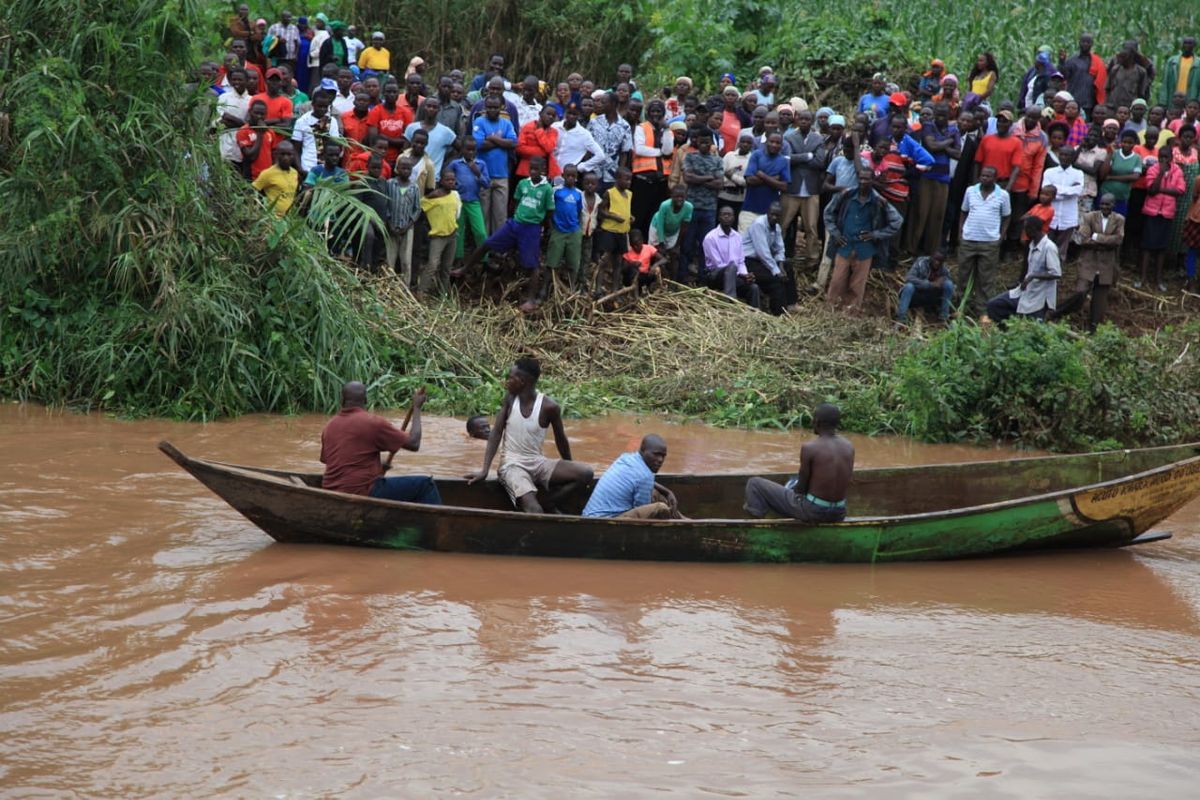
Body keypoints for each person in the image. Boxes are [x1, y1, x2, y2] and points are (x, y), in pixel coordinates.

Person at [466, 357, 593, 514]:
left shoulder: (549, 407)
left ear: (522, 381)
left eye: (510, 378)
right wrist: (485, 470)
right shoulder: (510, 400)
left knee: (586, 473)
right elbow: (497, 433)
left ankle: (550, 501)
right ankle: (542, 509)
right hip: (511, 466)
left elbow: (561, 440)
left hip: (538, 463)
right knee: (534, 510)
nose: (507, 382)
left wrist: (569, 466)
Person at [455, 156, 555, 312]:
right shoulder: (523, 184)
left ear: (543, 170)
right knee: (487, 243)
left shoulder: (547, 189)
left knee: (532, 265)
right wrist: (514, 218)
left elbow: (549, 211)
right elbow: (515, 202)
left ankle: (531, 300)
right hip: (514, 223)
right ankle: (465, 269)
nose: (533, 172)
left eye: (536, 169)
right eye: (531, 169)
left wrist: (541, 228)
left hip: (531, 229)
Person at [320, 383, 440, 504]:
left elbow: (331, 460)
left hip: (330, 490)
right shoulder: (373, 423)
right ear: (366, 400)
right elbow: (414, 443)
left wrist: (378, 467)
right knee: (425, 484)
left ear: (342, 400)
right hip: (361, 492)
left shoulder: (329, 426)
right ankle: (439, 522)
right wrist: (417, 408)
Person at [744, 403, 853, 523]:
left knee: (754, 483)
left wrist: (790, 488)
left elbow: (800, 489)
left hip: (813, 512)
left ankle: (755, 526)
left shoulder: (810, 448)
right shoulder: (849, 447)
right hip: (839, 513)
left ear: (816, 422)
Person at [824, 165, 903, 314]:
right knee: (836, 282)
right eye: (860, 178)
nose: (862, 182)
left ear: (872, 181)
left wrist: (876, 234)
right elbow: (828, 213)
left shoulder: (879, 201)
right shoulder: (846, 195)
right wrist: (835, 233)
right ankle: (830, 314)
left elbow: (897, 221)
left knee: (857, 286)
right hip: (844, 245)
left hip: (864, 250)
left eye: (866, 179)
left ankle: (851, 315)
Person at [1054, 193, 1124, 331]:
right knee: (1080, 292)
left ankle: (1093, 329)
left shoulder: (1120, 219)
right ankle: (1058, 313)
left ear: (1113, 205)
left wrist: (1096, 237)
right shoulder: (1089, 217)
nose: (1104, 206)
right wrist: (1106, 242)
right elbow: (1082, 239)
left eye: (1107, 204)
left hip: (1107, 265)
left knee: (1100, 301)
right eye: (1102, 203)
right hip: (1088, 262)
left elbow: (1118, 240)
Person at [582, 435, 682, 520]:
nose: (660, 460)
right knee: (660, 508)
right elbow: (642, 509)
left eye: (663, 456)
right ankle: (677, 523)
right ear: (643, 451)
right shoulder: (644, 476)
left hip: (589, 515)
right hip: (605, 521)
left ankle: (681, 518)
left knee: (654, 493)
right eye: (656, 454)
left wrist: (667, 492)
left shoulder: (626, 458)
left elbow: (640, 480)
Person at [985, 216, 1062, 325]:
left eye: (1026, 229)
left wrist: (1033, 276)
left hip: (1039, 296)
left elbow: (1056, 273)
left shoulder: (1049, 247)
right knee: (994, 305)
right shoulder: (1031, 245)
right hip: (1024, 291)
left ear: (1033, 229)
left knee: (1033, 328)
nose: (1024, 232)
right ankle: (1006, 332)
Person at [957, 165, 1012, 315]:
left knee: (986, 279)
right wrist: (961, 233)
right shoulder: (970, 191)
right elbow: (963, 212)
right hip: (969, 239)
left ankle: (983, 311)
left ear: (995, 179)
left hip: (990, 242)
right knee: (963, 275)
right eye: (983, 175)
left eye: (988, 176)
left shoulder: (1003, 195)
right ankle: (960, 307)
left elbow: (1007, 217)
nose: (985, 178)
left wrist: (1000, 237)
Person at [1138, 145, 1186, 291]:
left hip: (1167, 213)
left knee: (1161, 248)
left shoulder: (1177, 171)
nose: (1163, 160)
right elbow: (1151, 190)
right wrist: (1160, 174)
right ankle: (1142, 278)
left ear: (1171, 158)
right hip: (1152, 212)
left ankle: (1159, 279)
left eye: (1166, 158)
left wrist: (1161, 189)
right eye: (1161, 158)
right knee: (1147, 246)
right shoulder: (1153, 169)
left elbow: (1180, 190)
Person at [782, 109, 826, 266]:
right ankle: (777, 255)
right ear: (797, 120)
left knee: (811, 228)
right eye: (801, 119)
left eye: (807, 119)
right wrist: (808, 156)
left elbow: (820, 162)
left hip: (811, 190)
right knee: (783, 225)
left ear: (812, 121)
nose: (804, 122)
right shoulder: (789, 137)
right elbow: (786, 159)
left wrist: (797, 158)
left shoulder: (818, 139)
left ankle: (812, 258)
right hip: (791, 188)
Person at [473, 95, 518, 234]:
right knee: (483, 213)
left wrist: (491, 137)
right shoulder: (479, 121)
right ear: (485, 108)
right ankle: (483, 247)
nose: (492, 110)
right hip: (483, 175)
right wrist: (501, 141)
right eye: (489, 107)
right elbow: (479, 144)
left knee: (500, 215)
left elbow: (513, 142)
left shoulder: (507, 123)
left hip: (501, 175)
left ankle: (498, 247)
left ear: (502, 107)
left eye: (495, 107)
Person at [701, 206, 760, 308]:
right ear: (719, 217)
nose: (727, 217)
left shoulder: (737, 237)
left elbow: (741, 261)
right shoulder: (710, 237)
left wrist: (745, 275)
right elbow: (718, 264)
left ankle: (756, 314)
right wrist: (739, 274)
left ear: (733, 218)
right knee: (731, 267)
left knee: (753, 287)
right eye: (724, 214)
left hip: (734, 275)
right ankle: (730, 304)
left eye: (730, 215)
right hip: (715, 276)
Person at [417, 167, 462, 296]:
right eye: (447, 180)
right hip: (438, 236)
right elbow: (421, 208)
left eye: (453, 180)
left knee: (446, 267)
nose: (451, 182)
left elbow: (457, 213)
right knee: (432, 264)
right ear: (441, 181)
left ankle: (444, 294)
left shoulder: (455, 195)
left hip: (452, 235)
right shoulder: (432, 197)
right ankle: (421, 291)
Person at [1041, 146, 1085, 262]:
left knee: (1061, 251)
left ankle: (1056, 275)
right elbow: (1046, 190)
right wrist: (1068, 190)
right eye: (1062, 154)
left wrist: (1055, 190)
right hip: (1050, 215)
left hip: (1068, 217)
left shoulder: (1078, 173)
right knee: (1045, 247)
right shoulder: (1049, 172)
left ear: (1073, 157)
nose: (1064, 157)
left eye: (1068, 155)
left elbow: (1078, 191)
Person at [742, 202, 788, 314]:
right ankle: (778, 313)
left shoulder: (776, 227)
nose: (774, 217)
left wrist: (781, 267)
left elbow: (779, 248)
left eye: (777, 216)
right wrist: (776, 271)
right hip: (749, 261)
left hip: (762, 261)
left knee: (788, 268)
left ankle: (791, 304)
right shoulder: (759, 224)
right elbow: (763, 252)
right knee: (776, 280)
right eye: (772, 214)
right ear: (767, 213)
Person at [546, 163, 586, 289]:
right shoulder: (556, 190)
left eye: (573, 176)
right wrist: (551, 227)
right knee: (552, 262)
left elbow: (579, 212)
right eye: (568, 175)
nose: (570, 178)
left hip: (574, 231)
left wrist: (578, 229)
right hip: (558, 230)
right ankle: (546, 288)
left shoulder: (579, 193)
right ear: (563, 176)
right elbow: (550, 210)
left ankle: (571, 289)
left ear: (576, 177)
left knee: (573, 263)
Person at [740, 131, 790, 231]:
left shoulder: (783, 161)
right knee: (745, 241)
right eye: (772, 142)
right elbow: (749, 180)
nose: (774, 145)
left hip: (770, 213)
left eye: (777, 143)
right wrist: (774, 179)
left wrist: (763, 176)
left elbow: (784, 187)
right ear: (766, 142)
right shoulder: (756, 155)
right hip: (750, 208)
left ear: (781, 145)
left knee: (764, 244)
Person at [384, 156, 422, 285]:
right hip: (391, 228)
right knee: (390, 260)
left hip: (407, 229)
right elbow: (386, 205)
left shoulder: (414, 188)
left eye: (409, 169)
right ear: (397, 169)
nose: (406, 171)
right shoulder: (390, 184)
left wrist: (408, 226)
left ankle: (405, 288)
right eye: (403, 168)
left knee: (406, 261)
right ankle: (388, 287)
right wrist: (389, 224)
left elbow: (417, 209)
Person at [896, 251, 955, 325]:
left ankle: (943, 317)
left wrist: (943, 280)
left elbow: (951, 288)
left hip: (930, 298)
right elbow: (909, 278)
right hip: (917, 295)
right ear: (931, 257)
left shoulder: (944, 269)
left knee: (949, 284)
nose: (937, 263)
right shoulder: (921, 263)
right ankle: (901, 318)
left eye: (940, 261)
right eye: (935, 259)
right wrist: (930, 284)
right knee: (909, 287)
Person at [405, 96, 457, 175]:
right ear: (424, 107)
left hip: (433, 177)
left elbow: (460, 148)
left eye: (434, 107)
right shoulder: (412, 127)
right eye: (428, 106)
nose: (431, 109)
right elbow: (405, 151)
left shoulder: (445, 131)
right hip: (411, 175)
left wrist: (447, 164)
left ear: (439, 109)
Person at [291, 90, 340, 174]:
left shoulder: (332, 121)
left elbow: (335, 145)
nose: (323, 109)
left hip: (327, 168)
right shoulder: (302, 121)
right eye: (319, 106)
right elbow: (296, 149)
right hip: (307, 166)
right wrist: (300, 169)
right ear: (313, 105)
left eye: (325, 107)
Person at [251, 140, 300, 216]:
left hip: (288, 218)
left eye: (289, 154)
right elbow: (253, 191)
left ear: (293, 156)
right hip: (272, 219)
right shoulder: (268, 173)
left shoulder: (294, 173)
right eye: (282, 154)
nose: (286, 158)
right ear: (276, 155)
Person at [1160, 37, 1200, 106]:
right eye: (1185, 43)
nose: (1187, 45)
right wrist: (1162, 102)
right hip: (1173, 99)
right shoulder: (1172, 61)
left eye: (1190, 43)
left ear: (1194, 45)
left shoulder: (1198, 63)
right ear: (1182, 45)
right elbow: (1165, 83)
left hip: (1191, 100)